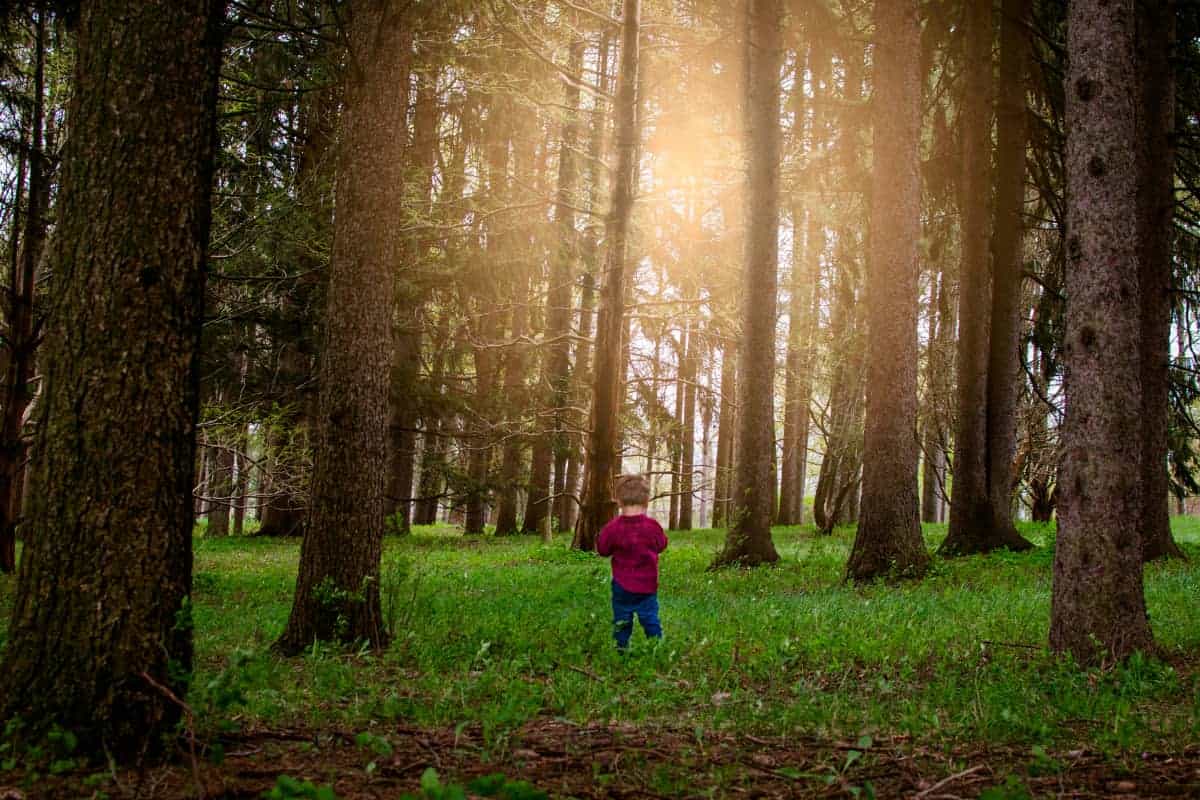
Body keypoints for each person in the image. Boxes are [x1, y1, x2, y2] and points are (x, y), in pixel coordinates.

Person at [596, 474, 668, 650]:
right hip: (648, 585)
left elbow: (602, 549)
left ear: (619, 501)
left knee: (622, 619)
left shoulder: (612, 528)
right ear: (646, 501)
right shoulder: (652, 527)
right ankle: (657, 648)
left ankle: (621, 649)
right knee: (650, 618)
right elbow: (662, 545)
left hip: (622, 585)